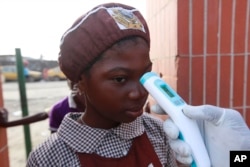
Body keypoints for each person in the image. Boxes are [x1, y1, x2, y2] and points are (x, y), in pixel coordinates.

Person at [26, 3, 250, 167]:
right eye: (120, 79)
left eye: (145, 75)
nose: (139, 92)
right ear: (80, 81)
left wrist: (239, 158)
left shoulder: (160, 134)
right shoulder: (48, 158)